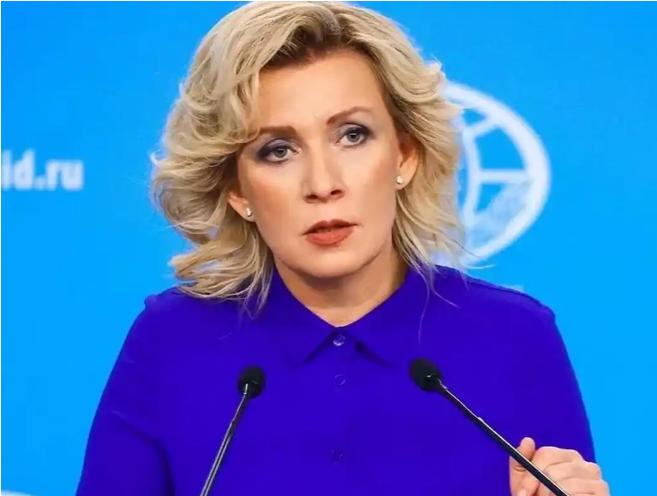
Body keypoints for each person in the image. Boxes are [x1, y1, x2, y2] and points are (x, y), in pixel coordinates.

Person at [75, 2, 609, 495]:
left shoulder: (515, 338)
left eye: (352, 135)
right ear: (237, 189)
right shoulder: (172, 342)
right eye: (277, 150)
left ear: (404, 156)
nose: (323, 183)